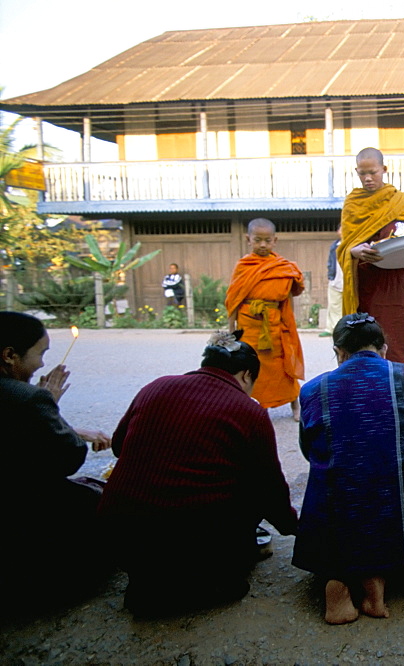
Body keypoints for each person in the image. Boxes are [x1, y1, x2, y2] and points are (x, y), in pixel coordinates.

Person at [98, 330, 298, 617]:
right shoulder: (248, 410)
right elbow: (269, 487)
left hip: (120, 535)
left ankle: (150, 582)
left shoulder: (156, 386)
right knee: (249, 486)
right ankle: (202, 585)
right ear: (245, 375)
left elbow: (118, 447)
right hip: (192, 542)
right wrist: (293, 527)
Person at [293, 313, 404, 624]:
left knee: (331, 501)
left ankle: (342, 580)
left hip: (332, 553)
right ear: (384, 349)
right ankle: (377, 583)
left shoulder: (313, 390)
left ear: (338, 353)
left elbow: (308, 452)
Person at [0, 312, 112, 606]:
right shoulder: (29, 399)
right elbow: (68, 458)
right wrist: (48, 404)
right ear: (10, 355)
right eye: (40, 354)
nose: (41, 364)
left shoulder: (23, 399)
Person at [338, 147, 404, 368]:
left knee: (400, 342)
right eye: (362, 173)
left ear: (384, 169)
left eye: (373, 172)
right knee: (367, 340)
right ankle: (370, 390)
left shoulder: (400, 201)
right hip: (367, 285)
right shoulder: (353, 203)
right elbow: (345, 246)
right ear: (356, 172)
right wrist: (353, 252)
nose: (367, 178)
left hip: (397, 283)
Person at [225, 217, 305, 420]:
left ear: (275, 240)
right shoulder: (243, 266)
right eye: (258, 239)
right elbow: (234, 298)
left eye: (267, 240)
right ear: (248, 239)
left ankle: (295, 403)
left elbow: (287, 299)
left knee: (282, 364)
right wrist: (231, 328)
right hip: (249, 324)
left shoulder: (282, 266)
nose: (262, 245)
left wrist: (290, 324)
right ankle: (261, 407)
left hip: (275, 322)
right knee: (252, 366)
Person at [322, 230, 344, 337]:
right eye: (340, 229)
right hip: (336, 279)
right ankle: (332, 329)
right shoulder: (335, 246)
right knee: (334, 305)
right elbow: (330, 262)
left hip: (348, 281)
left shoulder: (352, 243)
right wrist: (331, 276)